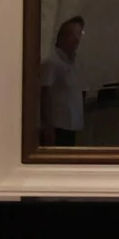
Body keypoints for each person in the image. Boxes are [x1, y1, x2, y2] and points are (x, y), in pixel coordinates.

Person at [39, 16, 86, 146]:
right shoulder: (52, 62)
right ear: (61, 37)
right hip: (58, 127)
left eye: (79, 34)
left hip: (72, 125)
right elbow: (45, 95)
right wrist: (47, 127)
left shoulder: (75, 62)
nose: (76, 39)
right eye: (71, 35)